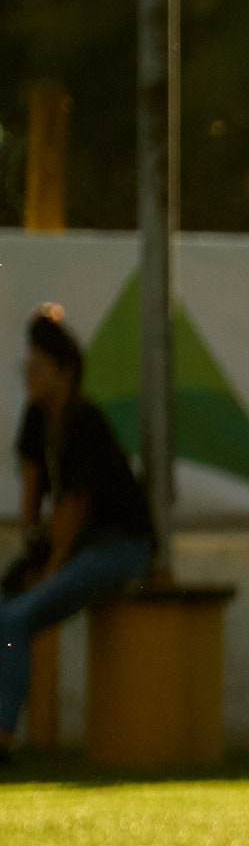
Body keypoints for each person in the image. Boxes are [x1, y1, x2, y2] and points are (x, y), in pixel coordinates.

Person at [0, 306, 157, 765]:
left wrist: (49, 572)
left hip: (118, 546)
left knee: (15, 621)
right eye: (24, 367)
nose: (29, 377)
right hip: (70, 546)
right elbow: (33, 496)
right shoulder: (34, 420)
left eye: (38, 368)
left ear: (65, 371)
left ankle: (3, 739)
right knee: (5, 611)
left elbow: (74, 506)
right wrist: (29, 556)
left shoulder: (85, 421)